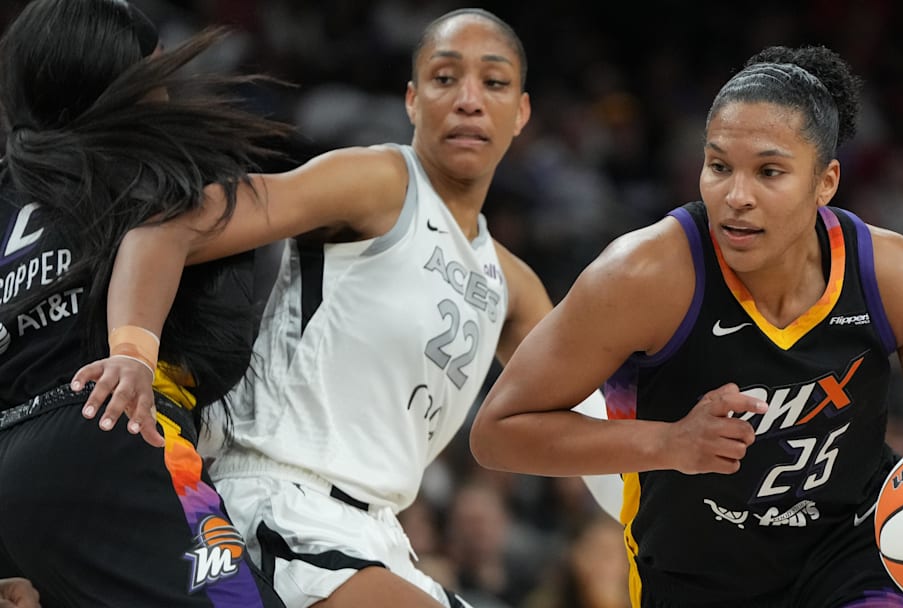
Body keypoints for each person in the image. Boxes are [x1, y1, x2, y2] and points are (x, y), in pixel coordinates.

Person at [469, 44, 903, 608]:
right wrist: (669, 443)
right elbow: (498, 433)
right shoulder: (642, 276)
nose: (736, 196)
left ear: (825, 182)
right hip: (693, 571)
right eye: (718, 166)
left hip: (852, 552)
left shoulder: (894, 276)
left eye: (769, 172)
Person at [72, 8, 619, 608]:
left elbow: (596, 427)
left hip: (381, 537)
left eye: (494, 82)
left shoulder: (511, 284)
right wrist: (132, 352)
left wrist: (669, 488)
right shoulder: (379, 182)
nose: (469, 100)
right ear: (412, 100)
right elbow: (172, 226)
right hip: (278, 503)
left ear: (521, 113)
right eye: (444, 78)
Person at [0, 0, 290, 606]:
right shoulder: (160, 165)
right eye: (154, 71)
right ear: (115, 80)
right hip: (118, 427)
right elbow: (219, 340)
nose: (167, 89)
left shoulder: (8, 190)